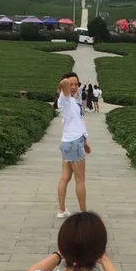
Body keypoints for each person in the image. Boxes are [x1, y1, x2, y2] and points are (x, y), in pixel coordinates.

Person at [56, 73, 91, 219]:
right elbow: (64, 81)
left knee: (65, 177)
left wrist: (85, 142)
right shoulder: (64, 99)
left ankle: (62, 210)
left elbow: (78, 122)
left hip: (70, 142)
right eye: (71, 84)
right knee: (80, 179)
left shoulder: (72, 101)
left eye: (76, 84)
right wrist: (62, 85)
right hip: (73, 142)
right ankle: (84, 212)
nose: (74, 87)